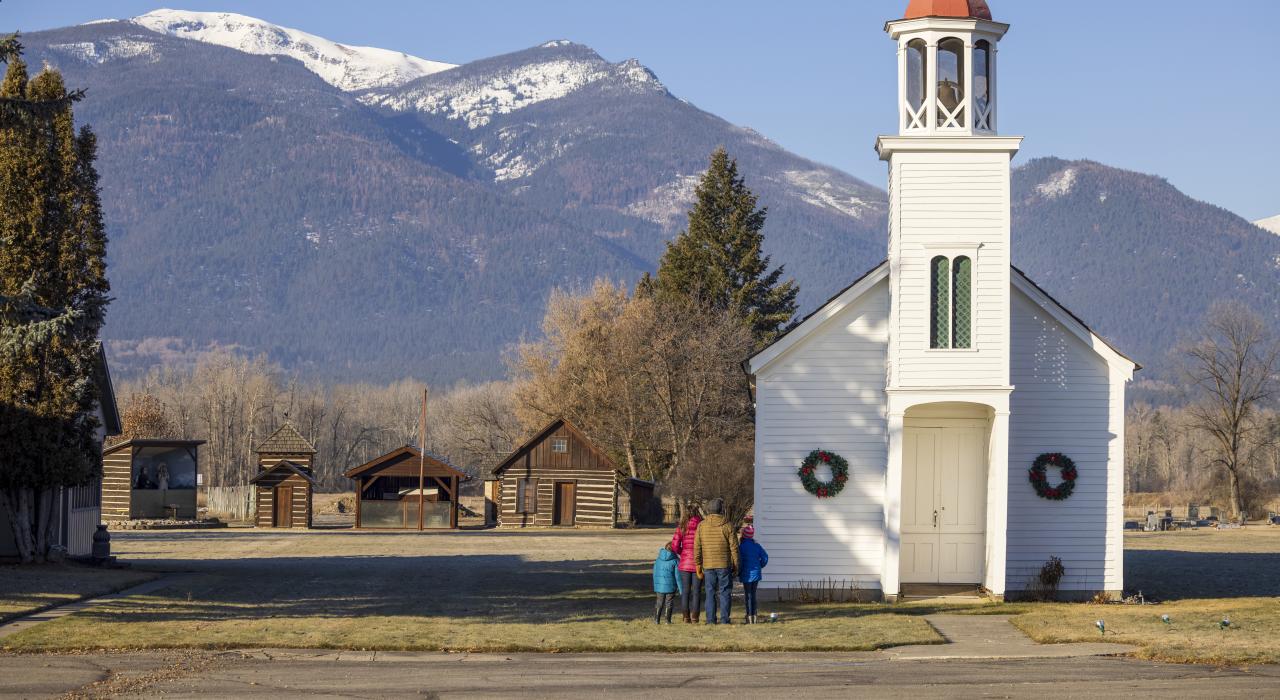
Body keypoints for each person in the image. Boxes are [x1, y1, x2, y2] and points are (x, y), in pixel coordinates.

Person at [694, 497, 738, 625]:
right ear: (721, 510)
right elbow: (734, 547)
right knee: (725, 592)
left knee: (710, 592)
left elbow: (697, 547)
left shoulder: (701, 526)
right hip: (724, 564)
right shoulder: (728, 525)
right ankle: (725, 620)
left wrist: (698, 564)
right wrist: (736, 565)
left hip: (708, 565)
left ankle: (710, 620)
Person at [670, 508, 703, 623]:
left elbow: (674, 545)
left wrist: (682, 552)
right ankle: (695, 617)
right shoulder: (701, 526)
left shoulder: (682, 527)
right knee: (697, 591)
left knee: (685, 591)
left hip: (685, 562)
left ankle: (686, 616)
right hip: (698, 563)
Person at [737, 524, 768, 624]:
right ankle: (754, 616)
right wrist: (760, 566)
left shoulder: (741, 547)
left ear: (744, 535)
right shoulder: (756, 545)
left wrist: (738, 571)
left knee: (748, 595)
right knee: (753, 595)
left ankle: (749, 616)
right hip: (756, 573)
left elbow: (739, 561)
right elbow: (765, 557)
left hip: (746, 574)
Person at [652, 542, 682, 624]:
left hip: (659, 586)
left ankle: (656, 620)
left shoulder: (658, 559)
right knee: (669, 602)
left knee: (659, 602)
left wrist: (655, 584)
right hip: (671, 586)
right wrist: (681, 589)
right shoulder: (676, 561)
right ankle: (667, 620)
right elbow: (678, 577)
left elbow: (654, 573)